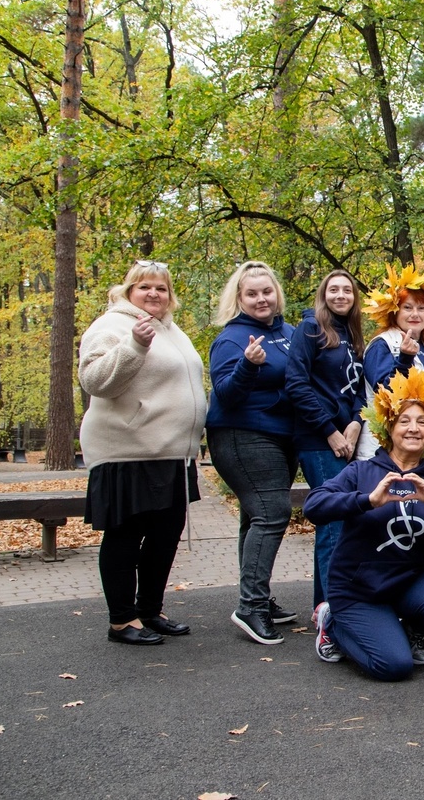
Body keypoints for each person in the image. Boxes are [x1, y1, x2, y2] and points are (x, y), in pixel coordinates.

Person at [304, 370, 424, 681]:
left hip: (408, 582)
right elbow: (314, 507)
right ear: (389, 427)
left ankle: (409, 628)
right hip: (357, 590)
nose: (413, 428)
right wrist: (366, 501)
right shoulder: (361, 473)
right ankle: (332, 624)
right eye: (405, 420)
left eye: (422, 422)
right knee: (394, 666)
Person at [78, 260, 206, 645]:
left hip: (172, 454)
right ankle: (121, 620)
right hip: (128, 452)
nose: (154, 294)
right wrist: (134, 344)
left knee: (165, 537)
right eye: (144, 287)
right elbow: (95, 380)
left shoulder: (174, 331)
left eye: (161, 288)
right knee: (125, 537)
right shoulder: (111, 326)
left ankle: (149, 610)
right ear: (128, 291)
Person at [207, 260, 299, 645]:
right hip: (243, 435)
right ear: (239, 298)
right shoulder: (232, 339)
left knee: (255, 516)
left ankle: (257, 597)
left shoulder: (290, 332)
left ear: (276, 293)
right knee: (272, 512)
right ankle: (250, 607)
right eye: (252, 293)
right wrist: (247, 365)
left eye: (266, 291)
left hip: (283, 436)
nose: (261, 299)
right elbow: (225, 393)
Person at [285, 269, 365, 650]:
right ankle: (334, 613)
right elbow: (296, 384)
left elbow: (354, 389)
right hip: (318, 440)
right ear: (323, 294)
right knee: (333, 521)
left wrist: (352, 424)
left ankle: (325, 604)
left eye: (346, 289)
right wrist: (329, 431)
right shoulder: (309, 330)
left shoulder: (351, 336)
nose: (340, 294)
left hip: (344, 437)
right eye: (333, 289)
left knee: (340, 521)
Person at [356, 264, 424, 461]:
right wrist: (405, 358)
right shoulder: (382, 344)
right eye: (407, 308)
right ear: (395, 312)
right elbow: (385, 393)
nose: (415, 314)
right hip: (382, 448)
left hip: (420, 447)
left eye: (421, 308)